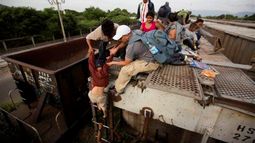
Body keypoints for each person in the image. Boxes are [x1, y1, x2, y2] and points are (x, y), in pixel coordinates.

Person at [107, 25, 159, 94]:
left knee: (125, 70)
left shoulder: (132, 46)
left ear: (127, 35)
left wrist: (112, 62)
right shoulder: (136, 32)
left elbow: (126, 63)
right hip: (155, 55)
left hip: (152, 63)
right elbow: (124, 42)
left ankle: (118, 89)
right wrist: (117, 48)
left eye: (121, 38)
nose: (120, 40)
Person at [88, 46, 118, 118]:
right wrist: (112, 55)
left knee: (102, 105)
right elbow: (108, 62)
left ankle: (104, 113)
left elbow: (90, 63)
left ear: (96, 67)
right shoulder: (104, 71)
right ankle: (102, 111)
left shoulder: (93, 72)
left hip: (95, 96)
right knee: (101, 102)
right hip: (92, 96)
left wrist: (91, 54)